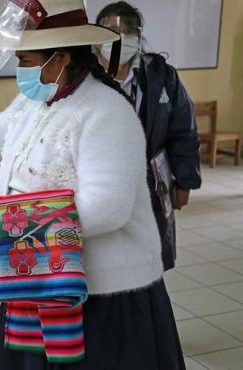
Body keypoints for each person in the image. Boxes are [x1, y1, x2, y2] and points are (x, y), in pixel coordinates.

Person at [0, 0, 184, 369]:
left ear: (61, 60)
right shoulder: (33, 102)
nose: (19, 70)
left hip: (103, 296)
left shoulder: (106, 112)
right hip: (40, 276)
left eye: (26, 60)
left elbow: (109, 207)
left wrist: (17, 226)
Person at [95, 1, 201, 271]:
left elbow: (184, 132)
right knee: (105, 263)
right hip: (100, 185)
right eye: (110, 33)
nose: (119, 40)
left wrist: (185, 182)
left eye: (127, 32)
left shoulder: (162, 76)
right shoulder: (84, 79)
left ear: (138, 38)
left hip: (152, 184)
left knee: (148, 261)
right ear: (96, 40)